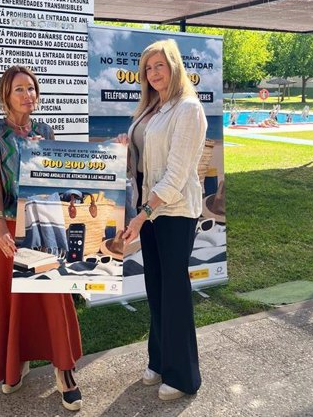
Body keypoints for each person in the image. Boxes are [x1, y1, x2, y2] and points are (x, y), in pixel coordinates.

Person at [0, 65, 83, 411]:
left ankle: (64, 371)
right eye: (20, 89)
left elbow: (53, 176)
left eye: (32, 88)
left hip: (40, 223)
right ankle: (15, 363)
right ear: (5, 94)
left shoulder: (44, 129)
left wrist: (68, 195)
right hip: (5, 225)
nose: (29, 95)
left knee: (52, 297)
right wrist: (0, 226)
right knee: (10, 301)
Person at [119, 39, 206, 401]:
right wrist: (124, 148)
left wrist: (142, 216)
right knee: (155, 289)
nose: (153, 74)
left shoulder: (187, 108)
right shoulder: (152, 108)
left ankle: (184, 375)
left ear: (174, 67)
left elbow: (175, 175)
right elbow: (142, 166)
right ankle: (159, 360)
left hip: (173, 213)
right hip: (151, 211)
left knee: (174, 292)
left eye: (160, 66)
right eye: (148, 68)